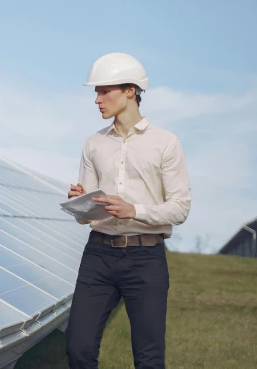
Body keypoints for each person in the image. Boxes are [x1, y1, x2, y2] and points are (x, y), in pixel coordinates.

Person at [64, 52, 191, 369]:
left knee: (148, 358)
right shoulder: (93, 144)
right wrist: (82, 203)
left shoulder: (166, 143)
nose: (97, 99)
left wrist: (134, 210)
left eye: (104, 91)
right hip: (98, 255)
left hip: (145, 259)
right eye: (96, 92)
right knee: (78, 349)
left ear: (130, 90)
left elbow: (180, 208)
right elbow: (87, 217)